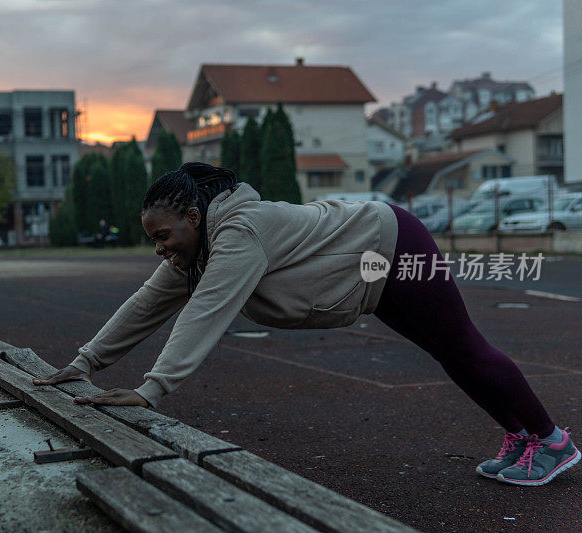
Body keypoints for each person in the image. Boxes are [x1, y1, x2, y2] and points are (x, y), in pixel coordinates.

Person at [33, 162, 579, 486]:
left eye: (163, 236)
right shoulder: (193, 252)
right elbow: (145, 304)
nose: (159, 250)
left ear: (194, 218)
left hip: (390, 243)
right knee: (451, 354)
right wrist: (83, 364)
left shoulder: (238, 233)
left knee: (463, 346)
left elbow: (207, 312)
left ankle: (552, 441)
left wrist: (152, 390)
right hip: (368, 266)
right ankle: (521, 434)